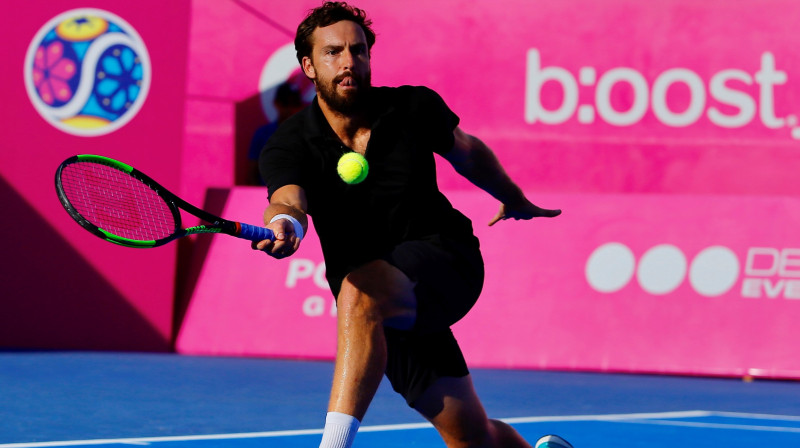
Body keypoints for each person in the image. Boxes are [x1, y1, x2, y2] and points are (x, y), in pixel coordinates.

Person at [254, 3, 571, 448]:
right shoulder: (289, 143)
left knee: (359, 290)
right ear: (308, 65)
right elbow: (288, 199)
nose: (348, 61)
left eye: (357, 50)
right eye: (332, 52)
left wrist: (512, 197)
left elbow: (466, 151)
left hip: (446, 259)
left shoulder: (412, 107)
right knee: (472, 436)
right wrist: (286, 223)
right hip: (381, 312)